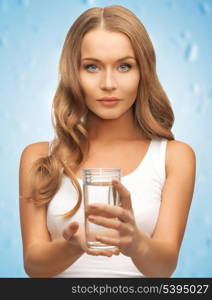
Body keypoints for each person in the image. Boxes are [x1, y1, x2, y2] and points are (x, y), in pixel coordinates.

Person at [19, 5, 196, 278]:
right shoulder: (39, 157)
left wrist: (134, 242)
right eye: (92, 67)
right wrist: (72, 247)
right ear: (73, 74)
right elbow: (33, 266)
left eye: (124, 66)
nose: (109, 83)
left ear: (143, 73)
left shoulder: (174, 157)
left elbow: (164, 268)